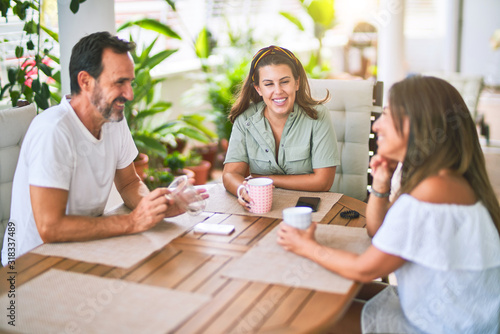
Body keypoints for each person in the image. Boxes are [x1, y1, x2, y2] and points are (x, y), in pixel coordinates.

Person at [277, 76, 500, 333]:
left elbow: (365, 269)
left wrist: (306, 246)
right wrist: (380, 184)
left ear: (417, 125)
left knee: (301, 316)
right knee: (320, 292)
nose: (377, 124)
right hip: (441, 312)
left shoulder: (433, 190)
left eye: (387, 115)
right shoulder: (438, 178)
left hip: (445, 326)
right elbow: (378, 232)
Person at [1, 32, 207, 265]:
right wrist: (133, 222)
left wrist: (154, 208)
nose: (129, 94)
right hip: (31, 264)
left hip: (83, 247)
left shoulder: (112, 118)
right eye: (120, 82)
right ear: (85, 81)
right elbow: (50, 227)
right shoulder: (53, 131)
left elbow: (129, 183)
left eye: (130, 82)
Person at [222, 45, 340, 210]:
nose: (278, 91)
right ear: (258, 89)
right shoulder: (245, 120)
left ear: (297, 83)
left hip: (310, 210)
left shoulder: (317, 116)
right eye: (269, 84)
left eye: (284, 82)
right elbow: (230, 174)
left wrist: (265, 179)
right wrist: (242, 189)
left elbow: (323, 181)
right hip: (261, 209)